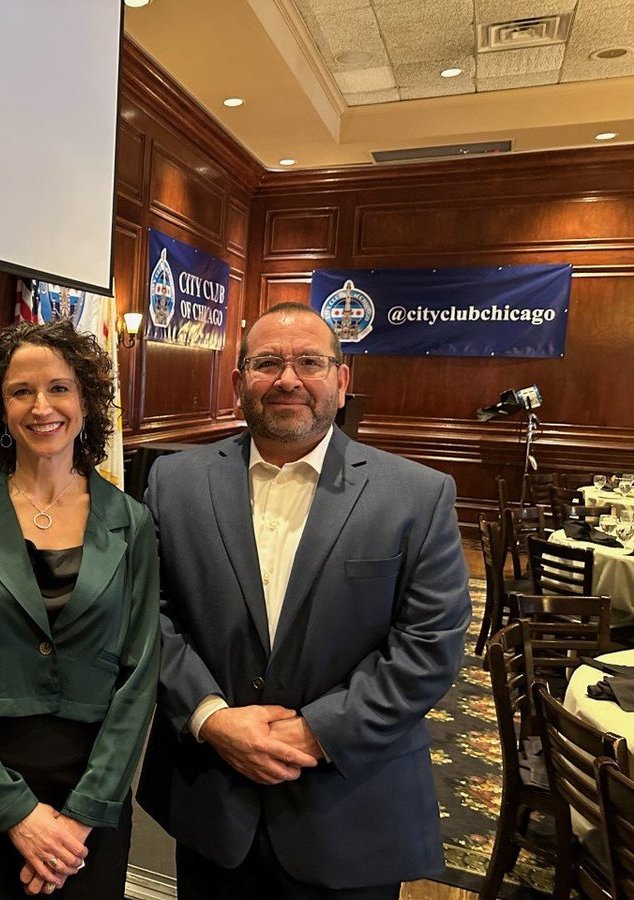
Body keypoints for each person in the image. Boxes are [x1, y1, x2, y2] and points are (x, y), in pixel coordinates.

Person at [137, 302, 471, 899]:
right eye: (266, 362)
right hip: (214, 805)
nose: (287, 379)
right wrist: (210, 717)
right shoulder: (174, 482)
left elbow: (428, 648)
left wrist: (314, 732)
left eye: (309, 362)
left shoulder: (417, 496)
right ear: (238, 382)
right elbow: (147, 617)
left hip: (350, 810)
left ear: (341, 382)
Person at [0, 320, 160, 898]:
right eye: (20, 391)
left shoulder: (131, 521)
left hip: (92, 791)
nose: (41, 407)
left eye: (59, 388)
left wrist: (81, 816)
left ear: (86, 400)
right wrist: (14, 812)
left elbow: (140, 674)